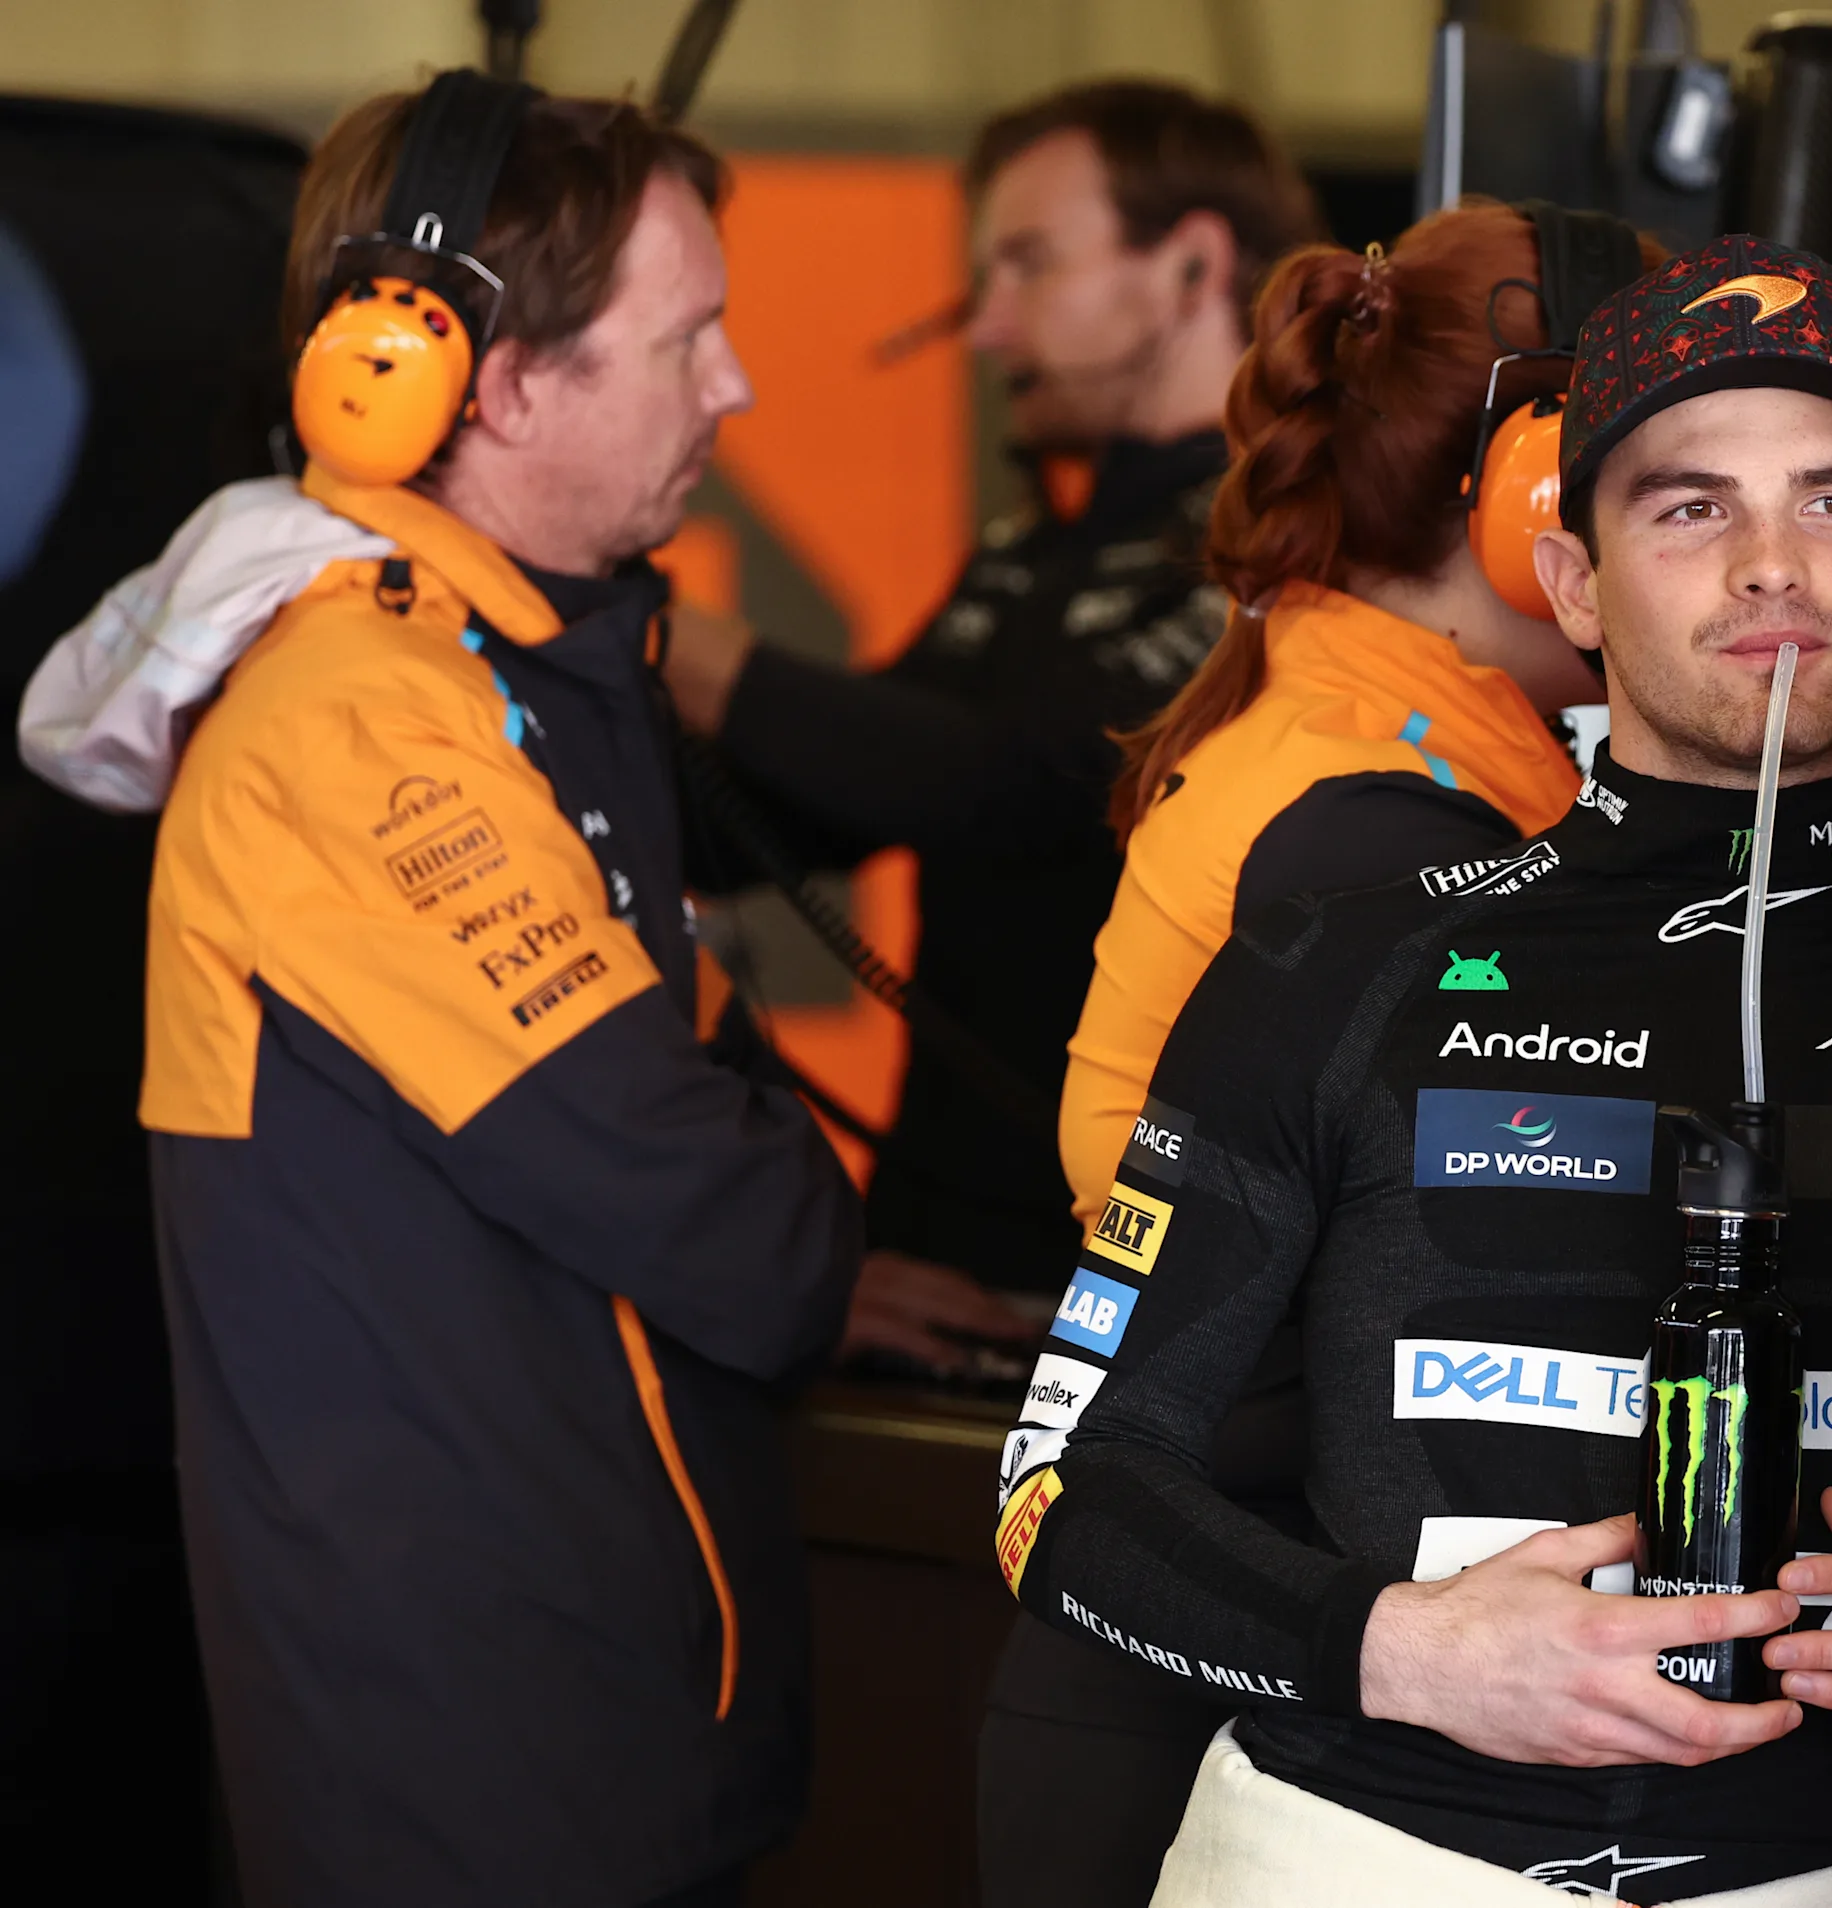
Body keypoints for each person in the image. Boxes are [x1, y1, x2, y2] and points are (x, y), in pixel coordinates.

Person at [997, 233, 1832, 1908]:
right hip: (1351, 1855)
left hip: (1821, 1876)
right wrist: (1398, 1653)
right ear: (1576, 584)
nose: (1769, 567)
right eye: (1689, 507)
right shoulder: (1344, 960)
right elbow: (1057, 1489)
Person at [53, 76, 863, 1906]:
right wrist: (777, 1156)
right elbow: (745, 1237)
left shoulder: (518, 672)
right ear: (482, 386)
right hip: (478, 1784)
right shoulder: (363, 722)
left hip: (582, 1733)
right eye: (690, 338)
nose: (730, 390)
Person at [975, 199, 1623, 1906]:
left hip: (1239, 1641)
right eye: (1674, 477)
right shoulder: (1373, 816)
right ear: (1545, 493)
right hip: (1221, 1679)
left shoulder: (1387, 725)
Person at [655, 81, 1322, 1369]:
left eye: (1029, 260)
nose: (985, 323)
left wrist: (676, 641)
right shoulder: (1029, 551)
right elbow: (801, 809)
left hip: (1153, 1282)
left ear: (1192, 262)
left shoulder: (1283, 539)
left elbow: (1024, 782)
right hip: (942, 1248)